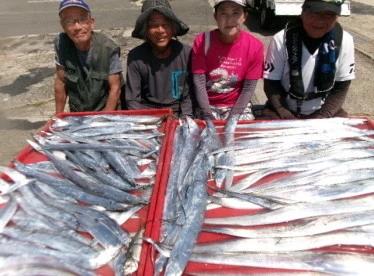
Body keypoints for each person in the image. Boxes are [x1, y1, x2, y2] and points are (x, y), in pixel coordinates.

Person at [259, 0, 355, 120]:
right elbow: (271, 84)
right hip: (283, 108)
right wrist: (287, 115)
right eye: (315, 13)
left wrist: (321, 116)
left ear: (336, 18)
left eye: (329, 15)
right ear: (302, 12)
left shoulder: (345, 40)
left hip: (325, 109)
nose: (320, 20)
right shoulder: (280, 39)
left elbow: (342, 86)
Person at [191, 0, 264, 120]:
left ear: (244, 16)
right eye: (223, 13)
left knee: (241, 135)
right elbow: (198, 82)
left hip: (237, 105)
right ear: (215, 17)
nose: (229, 20)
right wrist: (208, 115)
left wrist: (233, 117)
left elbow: (248, 89)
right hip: (206, 105)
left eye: (236, 13)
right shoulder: (202, 41)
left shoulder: (255, 46)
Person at [124, 0, 194, 118]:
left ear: (173, 28)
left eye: (165, 24)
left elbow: (188, 96)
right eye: (153, 25)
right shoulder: (136, 57)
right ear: (146, 30)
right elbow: (132, 99)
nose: (160, 30)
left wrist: (184, 120)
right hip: (148, 113)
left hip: (178, 111)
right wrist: (142, 122)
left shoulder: (186, 53)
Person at [54, 0, 124, 115]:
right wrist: (58, 116)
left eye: (82, 20)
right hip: (78, 113)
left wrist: (104, 120)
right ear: (63, 26)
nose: (77, 27)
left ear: (91, 23)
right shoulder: (61, 44)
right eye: (69, 22)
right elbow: (61, 82)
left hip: (105, 112)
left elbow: (115, 88)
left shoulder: (108, 48)